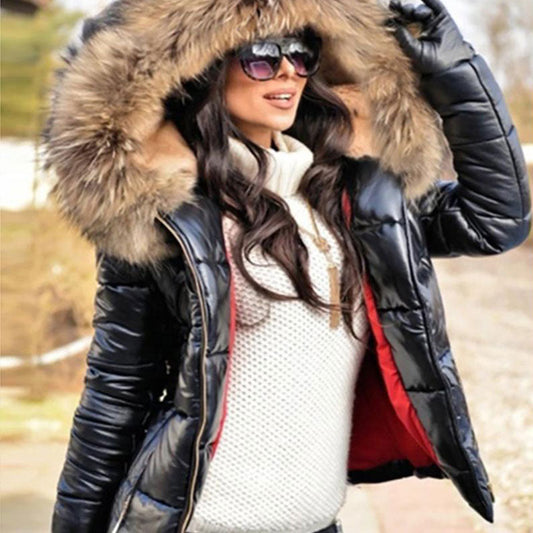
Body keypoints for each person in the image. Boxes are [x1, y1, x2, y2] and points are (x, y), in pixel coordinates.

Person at [41, 0, 531, 532]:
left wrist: (454, 68)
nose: (288, 72)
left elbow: (496, 219)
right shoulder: (167, 213)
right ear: (205, 64)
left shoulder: (353, 196)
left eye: (302, 54)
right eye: (261, 55)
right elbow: (117, 392)